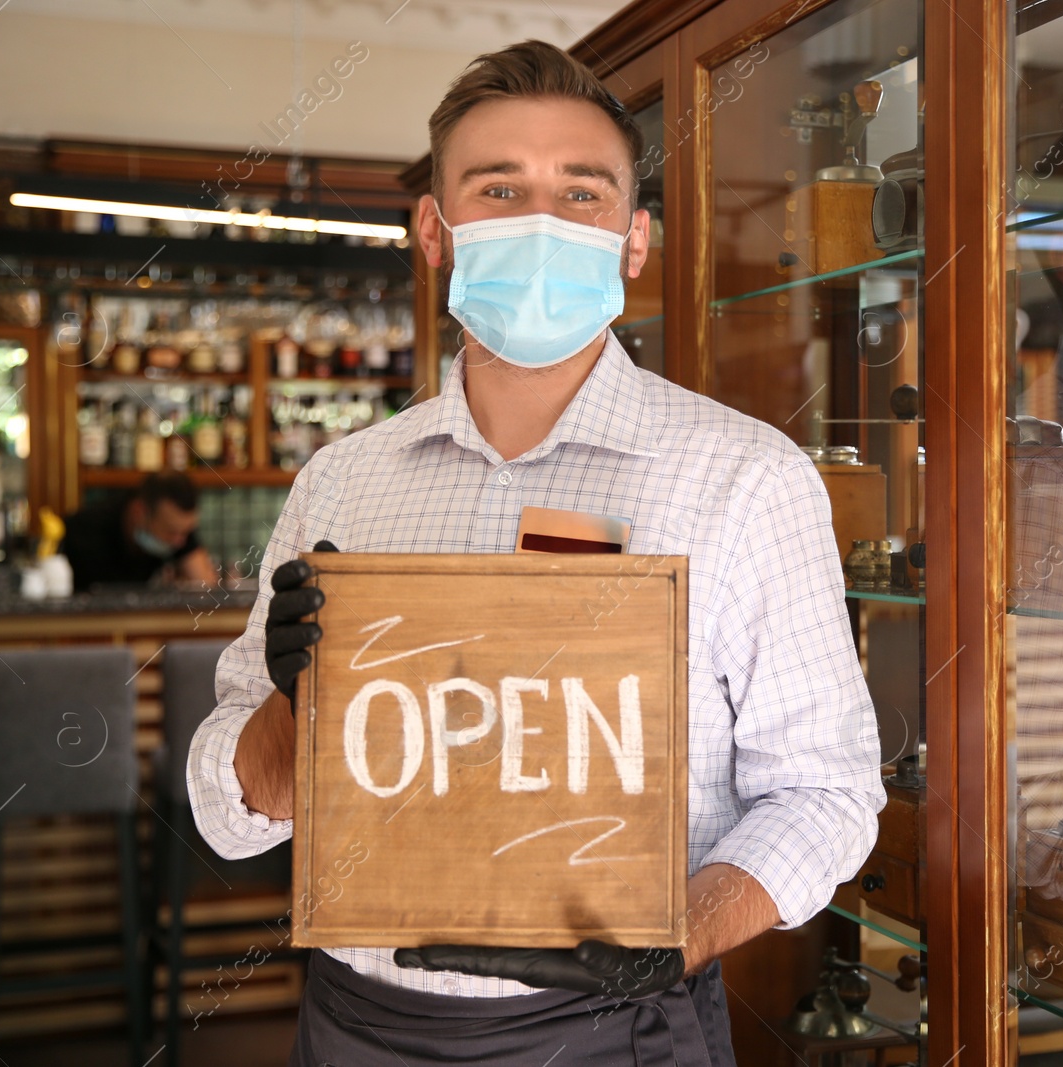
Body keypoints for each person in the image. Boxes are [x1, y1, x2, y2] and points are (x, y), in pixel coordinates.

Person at [187, 40, 884, 1067]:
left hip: (621, 1028)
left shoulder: (746, 480)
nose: (542, 224)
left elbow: (826, 794)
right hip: (357, 1026)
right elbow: (233, 817)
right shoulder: (338, 485)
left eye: (582, 193)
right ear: (435, 229)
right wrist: (298, 706)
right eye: (500, 189)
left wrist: (676, 935)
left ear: (634, 240)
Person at [60, 471, 216, 591]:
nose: (180, 541)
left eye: (186, 532)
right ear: (139, 512)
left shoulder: (177, 530)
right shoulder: (87, 531)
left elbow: (207, 587)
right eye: (171, 532)